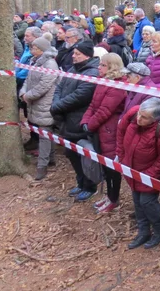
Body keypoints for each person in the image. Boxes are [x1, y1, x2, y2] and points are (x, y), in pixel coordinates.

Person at [117, 98, 160, 250]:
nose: (139, 119)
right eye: (139, 115)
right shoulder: (133, 113)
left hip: (150, 173)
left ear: (154, 119)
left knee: (147, 202)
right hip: (131, 168)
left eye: (144, 117)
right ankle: (143, 231)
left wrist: (148, 175)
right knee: (137, 200)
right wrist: (122, 157)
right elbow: (120, 132)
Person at [50, 40, 99, 201]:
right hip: (67, 120)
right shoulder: (72, 69)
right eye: (74, 53)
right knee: (71, 154)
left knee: (84, 156)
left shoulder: (92, 73)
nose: (74, 56)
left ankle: (90, 185)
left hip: (79, 121)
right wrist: (56, 103)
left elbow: (80, 96)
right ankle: (80, 182)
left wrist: (57, 106)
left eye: (78, 54)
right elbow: (59, 87)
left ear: (87, 55)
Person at [81, 53, 128, 213]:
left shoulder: (117, 86)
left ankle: (114, 199)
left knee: (111, 168)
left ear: (111, 67)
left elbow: (104, 111)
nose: (98, 67)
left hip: (110, 132)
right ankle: (109, 195)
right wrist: (85, 122)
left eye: (102, 65)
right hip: (100, 130)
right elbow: (93, 105)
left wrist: (91, 125)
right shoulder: (102, 82)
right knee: (104, 166)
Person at [19, 36, 59, 180]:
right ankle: (50, 159)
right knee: (46, 134)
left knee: (45, 134)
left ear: (41, 49)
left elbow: (44, 85)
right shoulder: (34, 62)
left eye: (34, 48)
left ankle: (42, 166)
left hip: (45, 103)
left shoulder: (50, 64)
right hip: (35, 102)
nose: (31, 50)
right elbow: (27, 79)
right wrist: (23, 93)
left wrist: (28, 96)